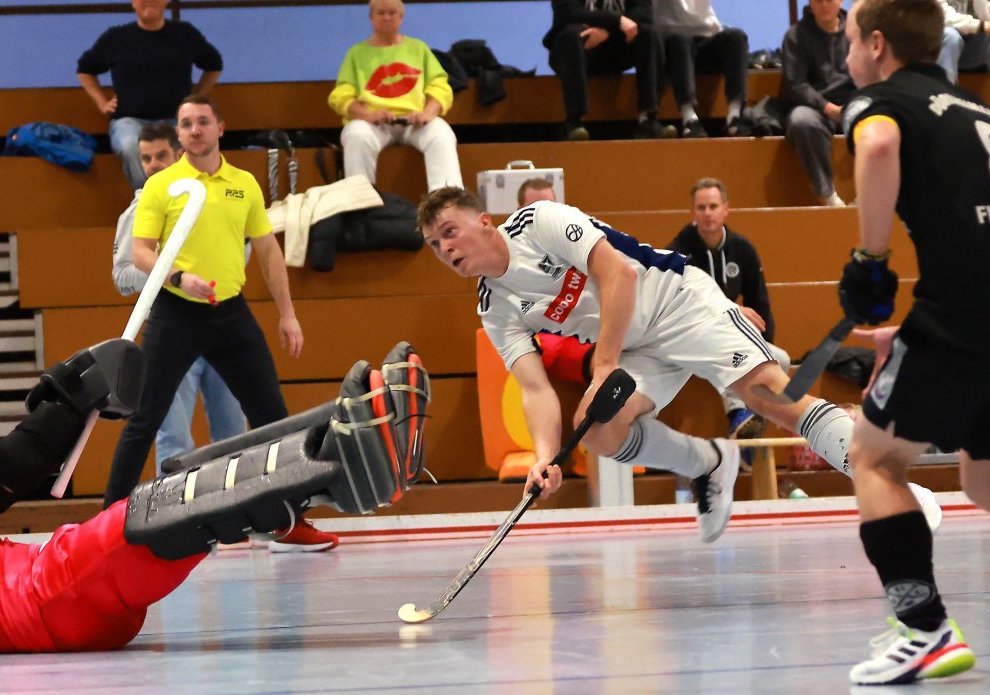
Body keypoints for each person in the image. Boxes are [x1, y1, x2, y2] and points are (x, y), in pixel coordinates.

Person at [0, 340, 429, 654]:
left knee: (189, 487)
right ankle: (347, 469)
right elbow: (11, 469)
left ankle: (334, 429)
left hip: (77, 627)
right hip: (50, 586)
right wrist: (73, 395)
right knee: (170, 507)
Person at [416, 188, 941, 545]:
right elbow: (534, 388)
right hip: (635, 348)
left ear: (482, 221)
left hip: (677, 300)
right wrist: (545, 458)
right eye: (435, 244)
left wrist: (602, 365)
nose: (445, 248)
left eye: (449, 232)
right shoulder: (494, 307)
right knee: (595, 432)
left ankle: (894, 487)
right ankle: (709, 463)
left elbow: (618, 274)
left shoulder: (541, 223)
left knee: (769, 396)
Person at [105, 94, 337, 552]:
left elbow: (268, 251)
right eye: (186, 123)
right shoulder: (163, 186)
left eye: (202, 122)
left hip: (231, 314)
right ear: (179, 133)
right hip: (177, 316)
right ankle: (107, 528)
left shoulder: (244, 183)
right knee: (144, 420)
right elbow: (140, 252)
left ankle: (288, 523)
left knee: (274, 420)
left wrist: (287, 313)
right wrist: (178, 277)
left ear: (220, 128)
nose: (194, 130)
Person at [837, 0, 987, 683]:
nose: (844, 59)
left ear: (876, 44)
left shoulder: (878, 100)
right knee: (983, 477)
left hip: (964, 311)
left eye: (847, 44)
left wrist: (872, 261)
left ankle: (923, 628)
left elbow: (877, 146)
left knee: (873, 456)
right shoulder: (975, 107)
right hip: (972, 306)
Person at [112, 122, 247, 474]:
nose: (153, 165)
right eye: (146, 158)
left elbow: (242, 259)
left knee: (235, 434)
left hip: (221, 326)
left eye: (161, 156)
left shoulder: (218, 198)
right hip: (171, 329)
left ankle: (236, 514)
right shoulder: (139, 210)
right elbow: (122, 277)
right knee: (173, 439)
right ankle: (172, 523)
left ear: (180, 155)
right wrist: (172, 274)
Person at [666, 177, 780, 443]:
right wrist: (730, 311)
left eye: (713, 206)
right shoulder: (677, 253)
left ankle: (754, 426)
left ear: (726, 209)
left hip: (733, 335)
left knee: (780, 360)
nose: (708, 213)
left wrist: (767, 348)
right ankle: (738, 413)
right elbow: (677, 308)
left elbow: (759, 302)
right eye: (702, 207)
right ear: (693, 212)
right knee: (722, 355)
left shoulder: (743, 249)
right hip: (689, 337)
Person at [76, 0, 223, 190]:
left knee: (194, 141)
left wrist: (195, 100)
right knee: (130, 146)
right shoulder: (116, 38)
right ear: (133, 3)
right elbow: (85, 69)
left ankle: (186, 202)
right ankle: (148, 200)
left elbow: (214, 64)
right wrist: (101, 102)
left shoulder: (184, 34)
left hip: (175, 121)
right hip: (129, 120)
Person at [327, 0, 463, 192]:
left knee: (441, 133)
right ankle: (359, 203)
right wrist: (368, 115)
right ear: (371, 17)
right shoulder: (356, 53)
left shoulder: (419, 48)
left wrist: (427, 113)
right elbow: (341, 95)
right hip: (374, 124)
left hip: (414, 123)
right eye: (381, 13)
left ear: (401, 17)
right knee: (356, 134)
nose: (387, 17)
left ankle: (447, 201)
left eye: (392, 13)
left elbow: (440, 86)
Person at [545, 0, 676, 140]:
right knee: (571, 34)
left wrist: (607, 31)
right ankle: (574, 122)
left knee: (650, 33)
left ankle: (648, 119)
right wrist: (617, 20)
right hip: (580, 46)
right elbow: (567, 13)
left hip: (615, 45)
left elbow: (644, 12)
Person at [781, 0, 855, 207]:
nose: (824, 5)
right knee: (800, 121)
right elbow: (796, 84)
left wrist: (854, 105)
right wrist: (828, 108)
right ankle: (828, 194)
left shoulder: (857, 31)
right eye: (817, 0)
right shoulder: (795, 35)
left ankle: (873, 193)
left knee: (887, 117)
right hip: (817, 107)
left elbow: (871, 74)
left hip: (854, 103)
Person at [656, 1, 751, 138]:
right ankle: (689, 118)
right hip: (672, 44)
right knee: (679, 41)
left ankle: (734, 117)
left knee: (737, 37)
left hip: (705, 39)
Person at [936, 0, 990, 83]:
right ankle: (944, 91)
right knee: (950, 35)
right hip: (936, 46)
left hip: (974, 46)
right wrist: (983, 26)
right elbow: (941, 16)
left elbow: (986, 15)